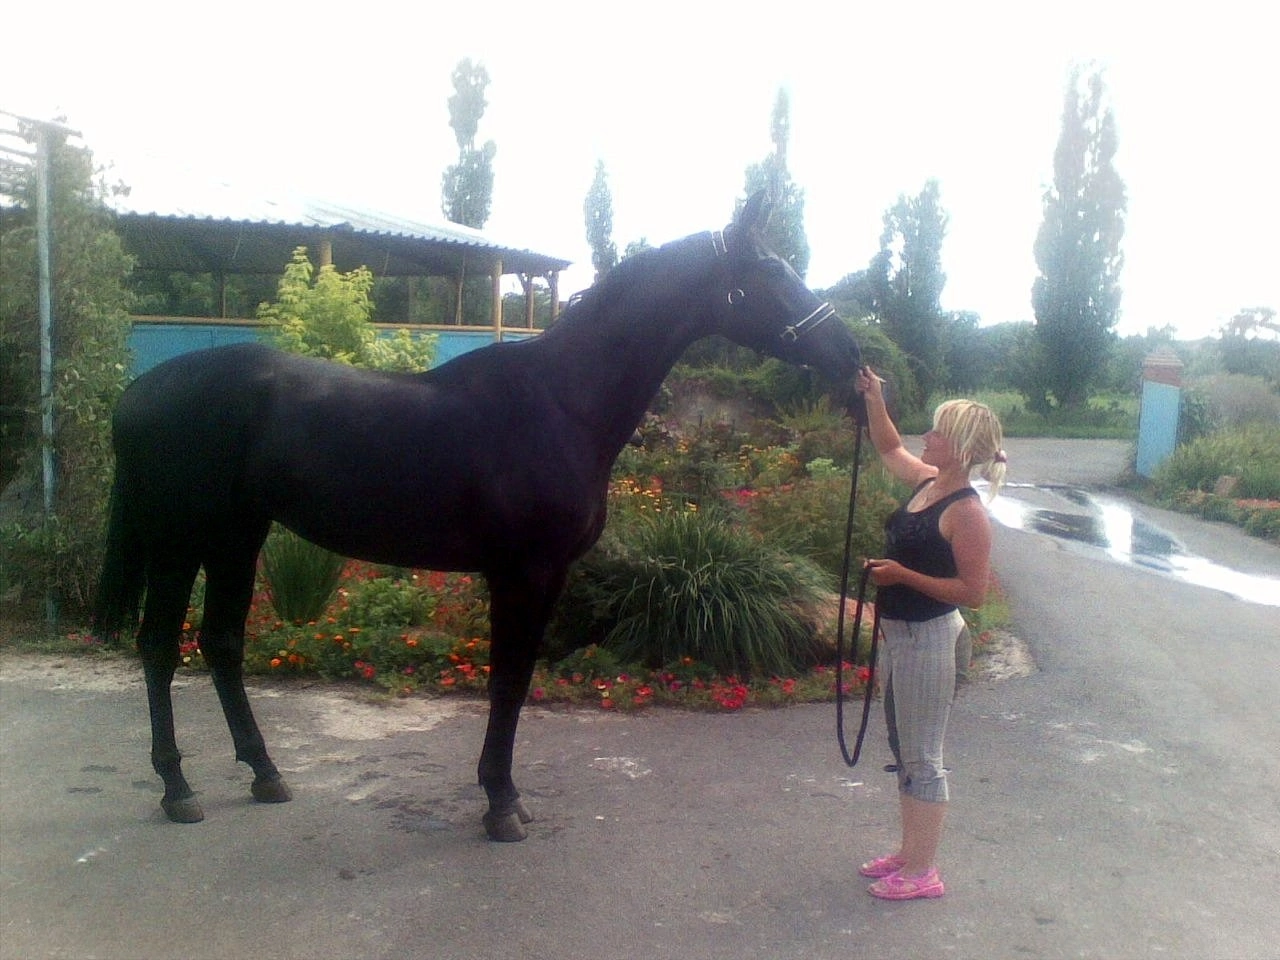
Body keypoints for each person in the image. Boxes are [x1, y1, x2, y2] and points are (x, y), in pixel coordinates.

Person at [853, 367, 1006, 901]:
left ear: (959, 447)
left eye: (937, 431)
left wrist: (901, 576)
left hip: (932, 638)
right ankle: (910, 852)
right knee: (904, 747)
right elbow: (889, 446)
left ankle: (923, 872)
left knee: (922, 754)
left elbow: (973, 592)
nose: (927, 435)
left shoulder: (966, 512)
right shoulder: (927, 482)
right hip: (901, 637)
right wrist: (875, 397)